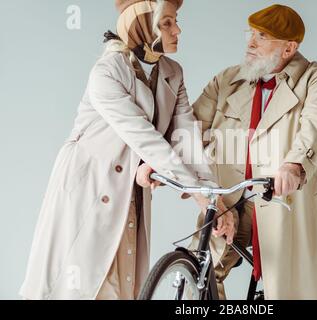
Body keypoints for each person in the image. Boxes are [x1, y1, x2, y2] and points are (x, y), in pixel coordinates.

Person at [19, 0, 234, 300]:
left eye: (175, 21)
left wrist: (213, 198)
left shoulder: (173, 72)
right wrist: (199, 195)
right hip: (90, 186)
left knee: (125, 283)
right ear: (141, 25)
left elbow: (186, 139)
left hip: (131, 190)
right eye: (167, 23)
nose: (178, 30)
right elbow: (145, 138)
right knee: (83, 282)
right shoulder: (106, 73)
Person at [191, 4, 317, 299]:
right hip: (230, 199)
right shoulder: (227, 81)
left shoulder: (316, 80)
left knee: (289, 287)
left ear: (288, 47)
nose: (251, 43)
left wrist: (294, 165)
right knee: (201, 270)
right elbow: (190, 127)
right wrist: (168, 163)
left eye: (262, 36)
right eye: (250, 34)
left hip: (282, 202)